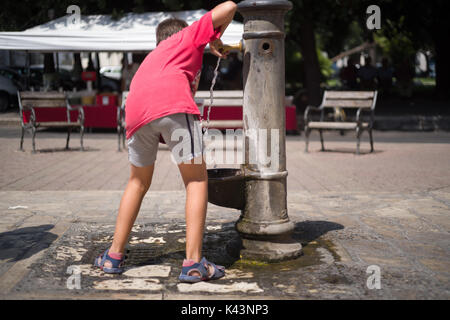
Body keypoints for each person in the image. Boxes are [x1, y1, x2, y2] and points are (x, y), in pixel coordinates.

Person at [93, 1, 237, 283]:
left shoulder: (154, 57)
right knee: (196, 181)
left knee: (137, 182)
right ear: (180, 34)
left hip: (134, 112)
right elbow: (230, 6)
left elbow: (155, 108)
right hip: (171, 106)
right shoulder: (186, 37)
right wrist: (213, 39)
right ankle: (194, 264)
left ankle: (113, 256)